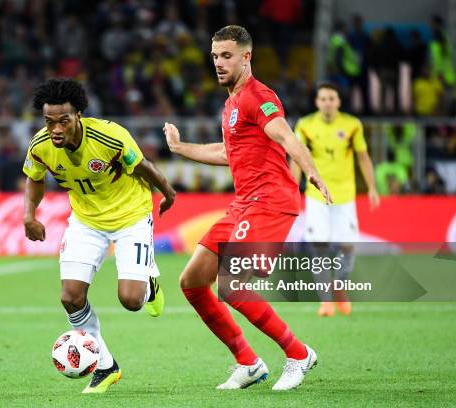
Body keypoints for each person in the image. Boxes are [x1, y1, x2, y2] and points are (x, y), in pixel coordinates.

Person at [164, 25, 331, 391]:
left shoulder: (259, 96)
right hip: (243, 204)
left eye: (226, 56)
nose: (219, 63)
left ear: (246, 57)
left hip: (270, 202)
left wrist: (313, 173)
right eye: (215, 57)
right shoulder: (231, 104)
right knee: (192, 282)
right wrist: (180, 149)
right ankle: (248, 362)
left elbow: (286, 135)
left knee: (233, 283)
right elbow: (228, 153)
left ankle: (299, 354)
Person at [22, 78, 175, 393]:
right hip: (86, 221)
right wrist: (29, 214)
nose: (56, 129)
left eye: (64, 120)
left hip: (130, 216)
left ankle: (150, 282)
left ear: (78, 114)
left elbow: (142, 165)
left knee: (131, 300)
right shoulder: (40, 146)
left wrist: (168, 192)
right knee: (70, 297)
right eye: (49, 122)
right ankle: (105, 367)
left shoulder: (109, 136)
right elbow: (35, 178)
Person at [290, 82, 380, 317]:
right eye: (323, 98)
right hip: (317, 196)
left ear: (338, 102)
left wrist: (372, 187)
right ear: (317, 102)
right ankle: (325, 300)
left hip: (345, 196)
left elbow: (363, 157)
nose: (327, 102)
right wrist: (291, 189)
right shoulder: (306, 126)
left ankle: (339, 287)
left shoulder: (352, 125)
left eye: (332, 98)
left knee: (347, 246)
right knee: (318, 246)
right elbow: (298, 158)